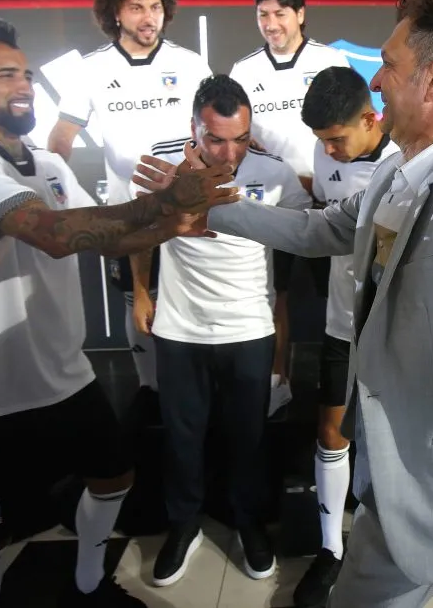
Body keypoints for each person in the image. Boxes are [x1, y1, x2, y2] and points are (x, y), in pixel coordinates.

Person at [137, 0, 433, 608]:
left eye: (389, 64)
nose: (378, 80)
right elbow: (322, 229)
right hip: (427, 467)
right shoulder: (398, 171)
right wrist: (212, 209)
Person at [0, 18, 236, 608]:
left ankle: (89, 583)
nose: (24, 86)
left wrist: (181, 220)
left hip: (64, 374)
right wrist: (166, 202)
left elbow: (107, 236)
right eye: (4, 74)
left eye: (27, 75)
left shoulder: (50, 164)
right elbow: (58, 234)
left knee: (114, 478)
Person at [131, 75, 312, 588]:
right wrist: (142, 292)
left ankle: (247, 521)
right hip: (180, 326)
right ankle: (183, 524)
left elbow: (299, 249)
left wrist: (284, 343)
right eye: (215, 139)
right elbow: (136, 231)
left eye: (240, 138)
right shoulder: (161, 166)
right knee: (183, 438)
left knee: (248, 439)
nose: (230, 152)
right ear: (194, 127)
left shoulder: (274, 173)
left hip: (248, 326)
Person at [47, 0, 213, 394]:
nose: (148, 17)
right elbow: (61, 138)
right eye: (137, 7)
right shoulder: (90, 69)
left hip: (186, 210)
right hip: (129, 213)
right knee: (137, 303)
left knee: (191, 301)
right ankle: (147, 390)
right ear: (115, 13)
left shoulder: (190, 64)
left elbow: (212, 132)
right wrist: (59, 196)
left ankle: (191, 390)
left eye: (155, 7)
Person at [292, 65, 397, 608]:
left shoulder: (408, 163)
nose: (329, 151)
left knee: (395, 440)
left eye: (337, 138)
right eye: (321, 141)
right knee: (332, 433)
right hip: (339, 324)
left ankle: (391, 539)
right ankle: (331, 549)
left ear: (370, 117)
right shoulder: (322, 156)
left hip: (396, 332)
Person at [229, 0, 352, 414]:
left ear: (300, 13)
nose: (271, 22)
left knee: (337, 298)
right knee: (273, 295)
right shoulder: (244, 71)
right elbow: (243, 139)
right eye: (263, 14)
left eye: (280, 13)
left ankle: (341, 382)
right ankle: (277, 380)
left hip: (328, 201)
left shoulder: (330, 59)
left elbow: (352, 126)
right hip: (273, 202)